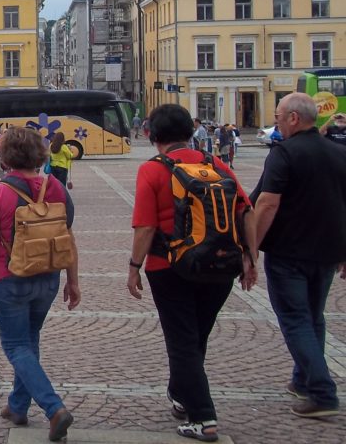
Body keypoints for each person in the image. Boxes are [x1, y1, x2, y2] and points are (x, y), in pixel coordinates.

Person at [128, 103, 256, 442]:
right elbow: (246, 212)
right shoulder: (215, 164)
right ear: (189, 131)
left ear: (152, 135)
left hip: (168, 265)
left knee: (182, 340)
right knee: (196, 336)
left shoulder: (153, 170)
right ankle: (182, 394)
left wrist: (133, 267)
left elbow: (145, 226)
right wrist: (250, 259)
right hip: (220, 263)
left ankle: (204, 418)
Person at [0, 126, 79, 442]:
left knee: (16, 346)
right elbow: (68, 237)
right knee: (28, 341)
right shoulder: (56, 188)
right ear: (40, 154)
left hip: (10, 278)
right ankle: (17, 406)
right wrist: (73, 281)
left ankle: (54, 407)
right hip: (47, 278)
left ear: (4, 158)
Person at [251, 93, 346, 418]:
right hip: (327, 253)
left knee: (295, 319)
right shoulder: (339, 153)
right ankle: (303, 379)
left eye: (278, 116)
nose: (275, 122)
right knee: (314, 318)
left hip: (289, 252)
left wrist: (251, 249)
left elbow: (267, 203)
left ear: (293, 118)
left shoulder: (285, 153)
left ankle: (321, 392)